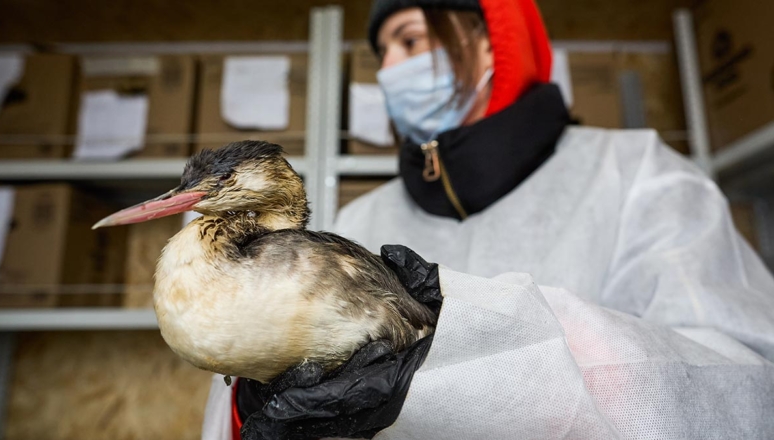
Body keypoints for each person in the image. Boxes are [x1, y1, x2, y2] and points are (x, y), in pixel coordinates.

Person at [202, 0, 774, 439]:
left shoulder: (637, 176)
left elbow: (746, 384)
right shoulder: (356, 222)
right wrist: (252, 406)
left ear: (490, 39)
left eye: (411, 40)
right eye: (384, 54)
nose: (391, 70)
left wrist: (490, 349)